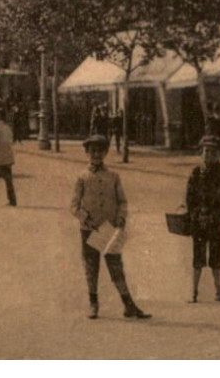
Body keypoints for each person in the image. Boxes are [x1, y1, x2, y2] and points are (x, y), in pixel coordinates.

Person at [69, 134, 149, 320]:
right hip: (90, 229)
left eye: (100, 151)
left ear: (105, 153)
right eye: (92, 151)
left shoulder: (113, 176)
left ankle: (128, 305)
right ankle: (93, 304)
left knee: (115, 266)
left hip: (109, 229)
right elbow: (73, 206)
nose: (96, 154)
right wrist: (84, 218)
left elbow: (122, 201)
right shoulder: (82, 177)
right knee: (91, 266)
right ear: (87, 153)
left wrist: (121, 217)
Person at [184, 135, 220, 303]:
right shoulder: (196, 172)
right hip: (199, 221)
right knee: (197, 257)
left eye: (213, 152)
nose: (209, 155)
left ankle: (218, 291)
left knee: (216, 257)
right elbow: (189, 199)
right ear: (201, 153)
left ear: (219, 154)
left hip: (216, 222)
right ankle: (194, 292)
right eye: (206, 151)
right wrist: (198, 215)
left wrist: (216, 217)